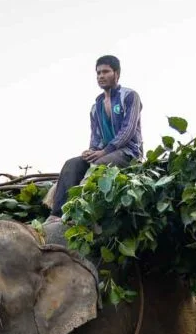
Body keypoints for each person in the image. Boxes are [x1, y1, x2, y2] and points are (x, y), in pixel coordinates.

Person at [49, 55, 143, 220]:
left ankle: (79, 212)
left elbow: (128, 130)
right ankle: (57, 215)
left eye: (106, 72)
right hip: (104, 152)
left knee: (97, 166)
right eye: (98, 73)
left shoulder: (129, 96)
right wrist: (91, 150)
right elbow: (96, 138)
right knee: (72, 164)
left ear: (117, 73)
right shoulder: (96, 106)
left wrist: (104, 151)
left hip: (128, 152)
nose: (101, 76)